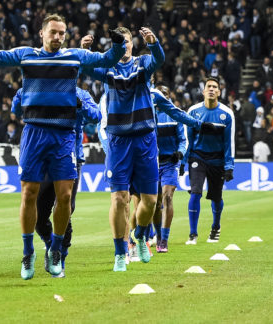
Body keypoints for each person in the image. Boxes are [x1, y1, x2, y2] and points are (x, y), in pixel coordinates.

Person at [0, 14, 126, 279]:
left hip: (64, 136)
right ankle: (28, 252)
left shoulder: (74, 56)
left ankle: (55, 249)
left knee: (64, 197)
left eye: (62, 33)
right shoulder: (26, 55)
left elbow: (106, 59)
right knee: (29, 193)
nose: (58, 37)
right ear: (42, 34)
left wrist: (119, 45)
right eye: (53, 32)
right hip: (34, 133)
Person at [84, 27, 165, 272]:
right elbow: (85, 67)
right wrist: (84, 51)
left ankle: (139, 236)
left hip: (145, 139)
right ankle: (120, 252)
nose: (124, 46)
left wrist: (154, 43)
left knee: (150, 201)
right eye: (120, 42)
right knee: (120, 199)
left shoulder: (143, 63)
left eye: (127, 41)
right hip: (119, 141)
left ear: (132, 43)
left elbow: (159, 60)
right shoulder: (107, 65)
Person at [15, 85, 101, 278]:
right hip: (44, 157)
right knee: (39, 215)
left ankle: (60, 257)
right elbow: (17, 108)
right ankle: (50, 244)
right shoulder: (40, 88)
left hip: (71, 157)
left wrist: (81, 106)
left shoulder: (80, 94)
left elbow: (96, 116)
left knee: (66, 207)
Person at [149, 84, 204, 253]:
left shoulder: (174, 114)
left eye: (166, 94)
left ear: (169, 97)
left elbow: (183, 139)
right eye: (160, 94)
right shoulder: (148, 114)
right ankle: (157, 235)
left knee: (167, 197)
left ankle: (164, 239)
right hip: (151, 163)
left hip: (170, 162)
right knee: (154, 202)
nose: (163, 97)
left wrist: (180, 155)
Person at [184, 77, 235, 245]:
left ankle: (216, 227)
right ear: (204, 91)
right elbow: (187, 139)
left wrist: (229, 166)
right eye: (209, 87)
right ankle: (193, 234)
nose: (211, 89)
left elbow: (229, 142)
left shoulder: (226, 114)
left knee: (215, 197)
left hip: (217, 160)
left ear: (219, 92)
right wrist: (183, 161)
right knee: (195, 192)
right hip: (197, 157)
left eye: (215, 87)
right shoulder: (193, 111)